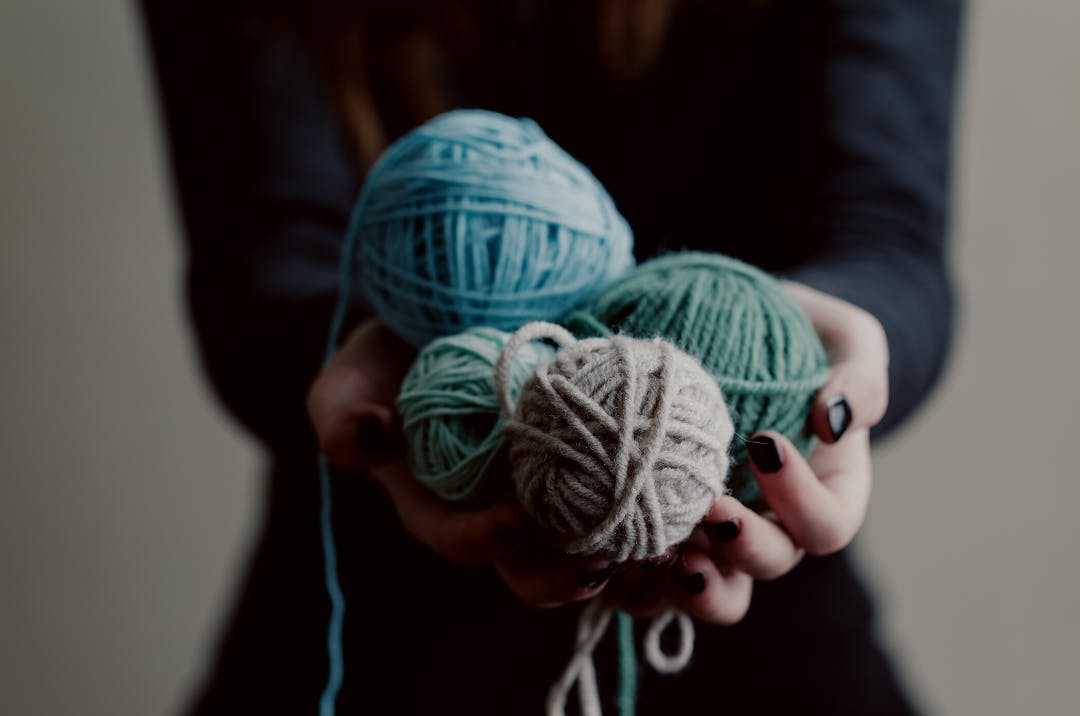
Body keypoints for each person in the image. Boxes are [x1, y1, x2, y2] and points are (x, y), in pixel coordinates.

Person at [141, 1, 963, 713]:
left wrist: (842, 345)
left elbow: (884, 229)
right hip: (371, 619)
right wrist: (390, 382)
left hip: (766, 607)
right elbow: (262, 256)